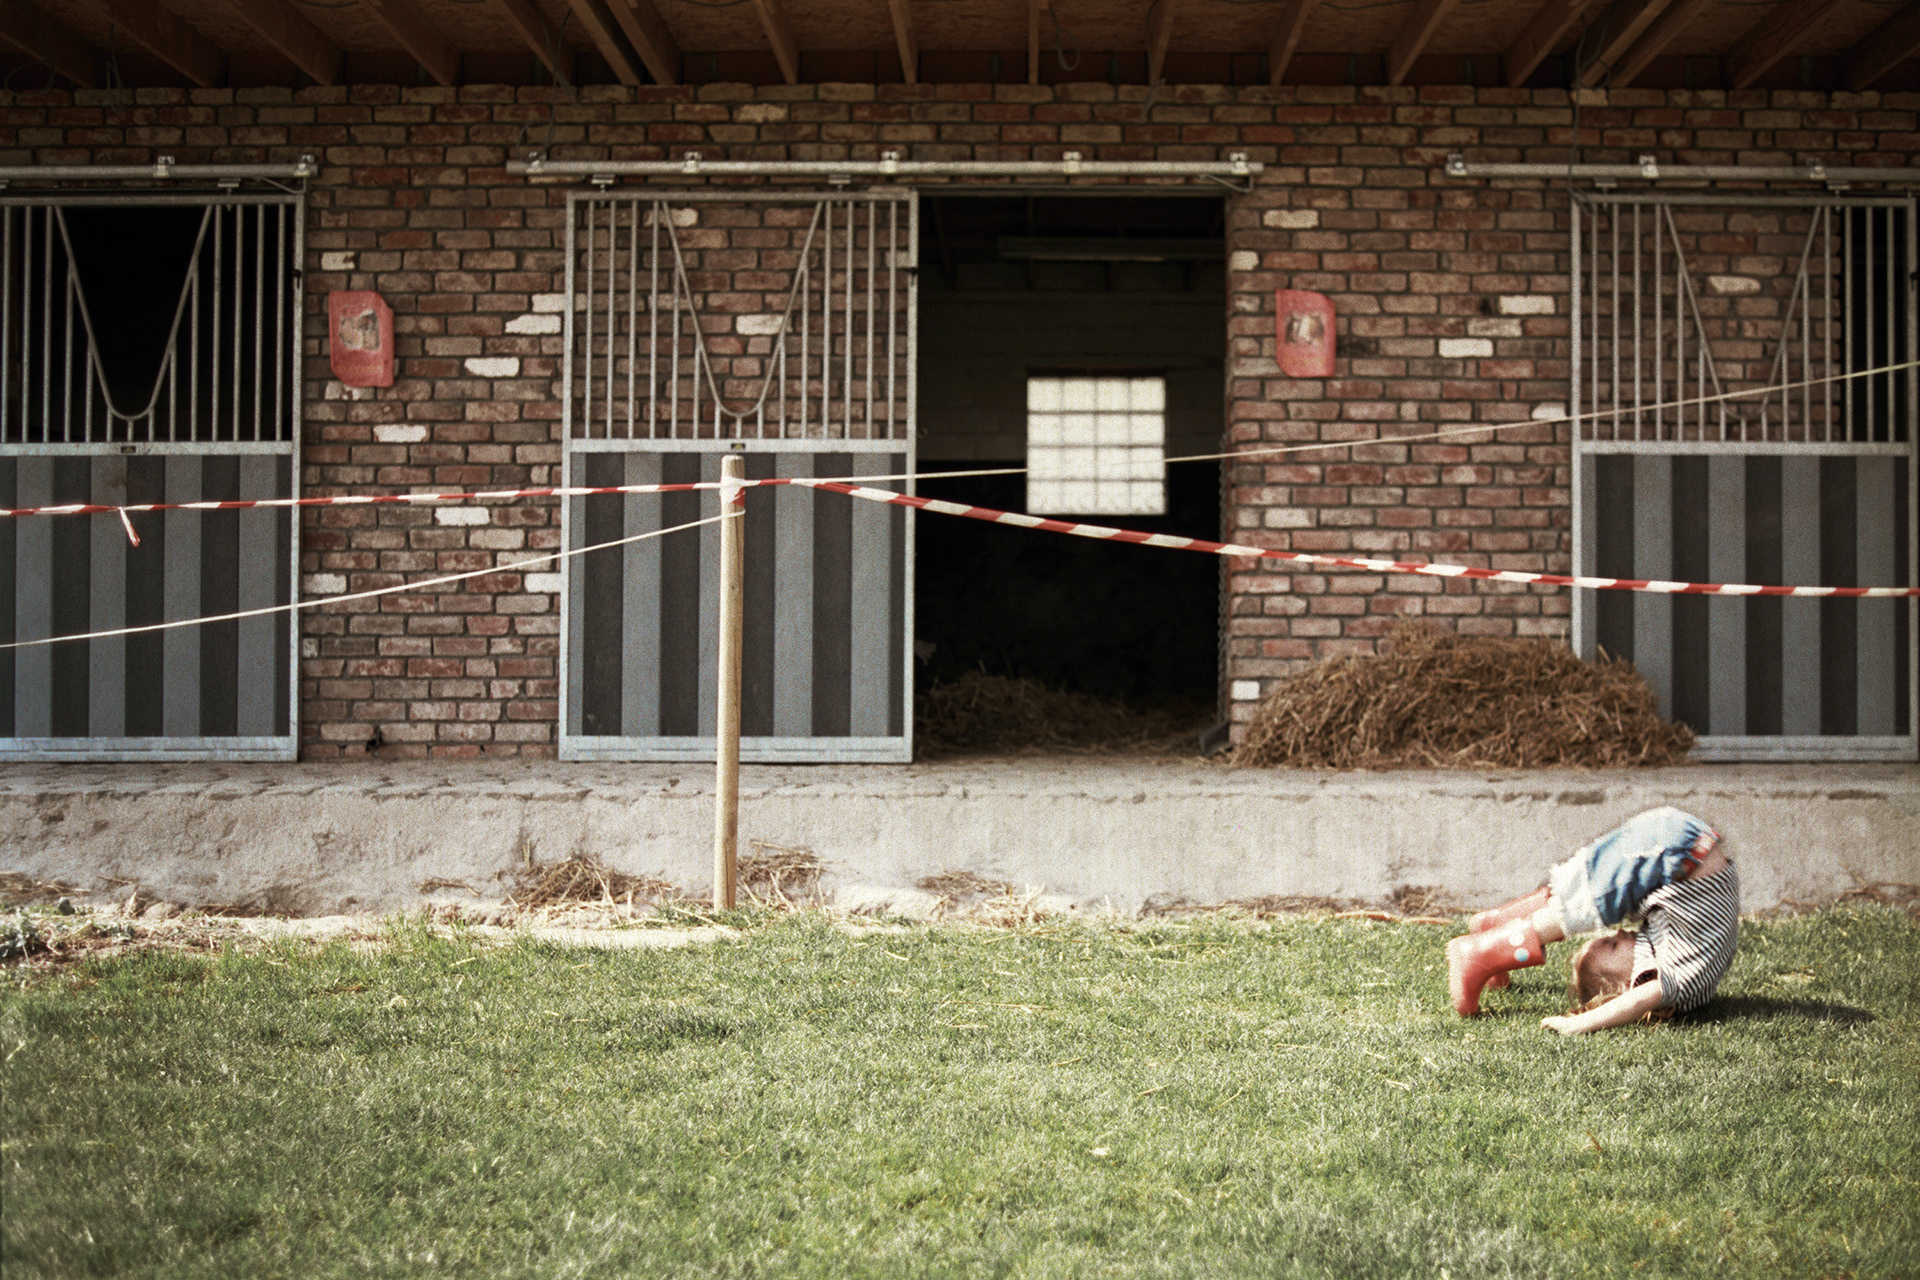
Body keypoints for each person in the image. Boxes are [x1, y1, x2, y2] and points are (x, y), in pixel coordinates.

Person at [1445, 806, 1740, 1034]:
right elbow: (1639, 1001)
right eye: (1612, 945)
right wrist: (1581, 1024)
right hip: (1679, 851)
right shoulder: (1681, 977)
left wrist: (1580, 1021)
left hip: (1682, 848)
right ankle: (1483, 950)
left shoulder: (1674, 964)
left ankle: (1497, 929)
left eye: (1610, 943)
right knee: (1588, 903)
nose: (1620, 933)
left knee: (1585, 892)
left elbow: (1637, 999)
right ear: (1630, 984)